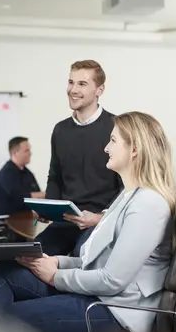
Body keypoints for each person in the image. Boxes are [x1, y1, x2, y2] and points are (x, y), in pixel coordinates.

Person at [0, 111, 175, 332]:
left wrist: (54, 276)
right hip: (98, 297)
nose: (105, 148)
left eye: (113, 141)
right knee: (6, 272)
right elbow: (97, 262)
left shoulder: (148, 205)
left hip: (114, 315)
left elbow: (112, 280)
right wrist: (58, 261)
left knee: (3, 319)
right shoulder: (128, 196)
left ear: (134, 150)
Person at [34, 60, 122, 256]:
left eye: (82, 84)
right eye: (71, 82)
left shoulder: (117, 128)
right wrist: (48, 208)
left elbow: (126, 186)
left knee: (78, 260)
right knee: (27, 257)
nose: (73, 89)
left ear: (100, 90)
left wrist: (100, 218)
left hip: (100, 223)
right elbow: (55, 176)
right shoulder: (60, 130)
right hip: (65, 222)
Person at [0, 136, 44, 216]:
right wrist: (42, 194)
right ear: (15, 153)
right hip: (11, 220)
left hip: (28, 217)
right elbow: (18, 198)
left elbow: (37, 194)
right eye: (26, 151)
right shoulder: (7, 173)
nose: (30, 153)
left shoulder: (28, 173)